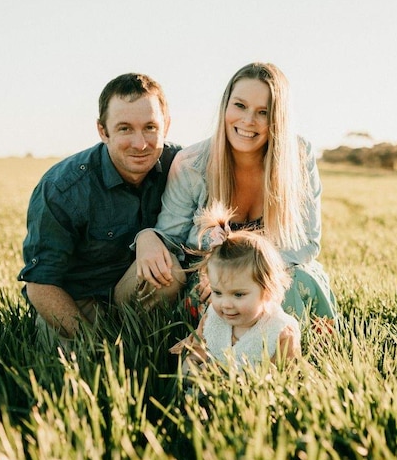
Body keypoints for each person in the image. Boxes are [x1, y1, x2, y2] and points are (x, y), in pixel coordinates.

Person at [122, 62, 338, 329]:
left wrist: (252, 276)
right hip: (211, 277)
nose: (248, 120)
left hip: (279, 270)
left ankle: (288, 359)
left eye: (263, 111)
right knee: (218, 298)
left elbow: (307, 242)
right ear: (226, 105)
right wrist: (219, 273)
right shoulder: (191, 163)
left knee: (300, 282)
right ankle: (214, 357)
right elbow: (172, 237)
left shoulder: (299, 155)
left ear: (277, 118)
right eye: (240, 106)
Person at [18, 72, 182, 341]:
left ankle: (148, 342)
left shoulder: (182, 166)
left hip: (133, 292)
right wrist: (92, 345)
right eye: (125, 128)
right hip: (77, 301)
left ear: (166, 126)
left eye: (150, 127)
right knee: (76, 369)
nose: (140, 144)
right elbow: (40, 284)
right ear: (103, 131)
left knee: (170, 271)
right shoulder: (63, 188)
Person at [168, 201, 300, 371]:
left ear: (267, 292)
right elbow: (194, 356)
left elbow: (283, 376)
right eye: (217, 292)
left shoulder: (279, 331)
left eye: (238, 295)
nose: (226, 304)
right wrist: (193, 371)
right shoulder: (212, 320)